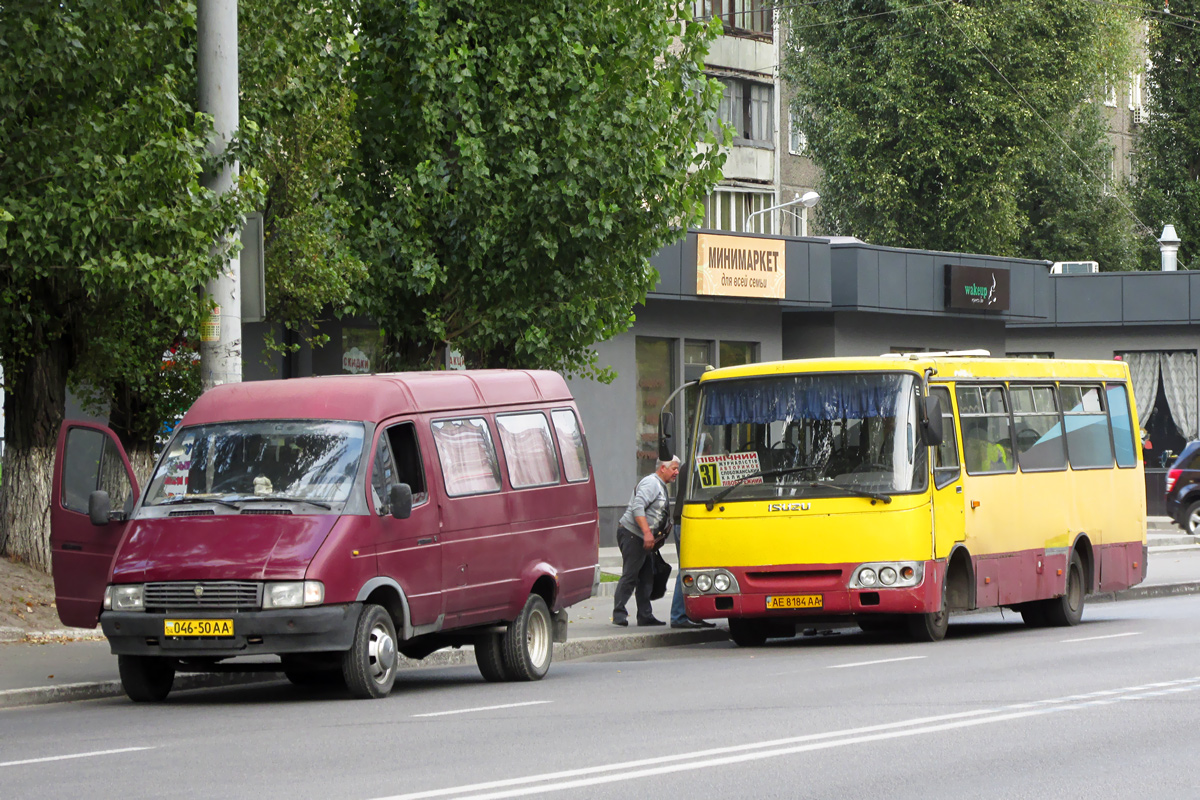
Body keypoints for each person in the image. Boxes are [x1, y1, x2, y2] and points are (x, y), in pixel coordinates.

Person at [612, 455, 679, 627]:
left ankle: (645, 615)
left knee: (646, 576)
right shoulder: (651, 483)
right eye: (674, 468)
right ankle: (619, 614)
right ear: (663, 468)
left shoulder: (660, 485)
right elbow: (637, 507)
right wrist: (647, 533)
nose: (676, 472)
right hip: (632, 535)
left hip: (643, 537)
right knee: (631, 575)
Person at [669, 459, 716, 629]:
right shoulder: (698, 466)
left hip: (681, 521)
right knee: (686, 570)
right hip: (686, 522)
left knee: (691, 569)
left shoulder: (687, 466)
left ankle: (691, 614)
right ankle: (679, 615)